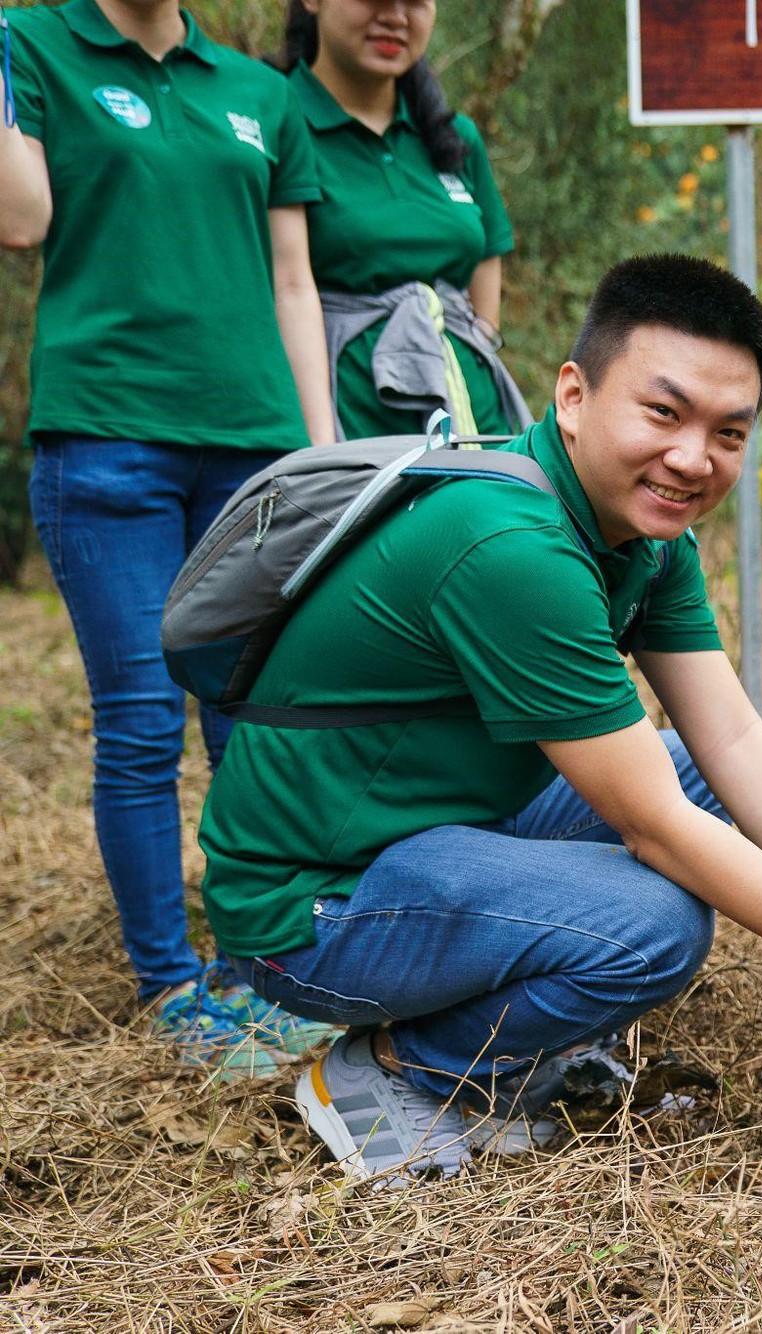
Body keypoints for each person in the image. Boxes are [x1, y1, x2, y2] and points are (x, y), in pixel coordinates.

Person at [197, 254, 762, 1188]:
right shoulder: (512, 547)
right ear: (575, 395)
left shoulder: (644, 535)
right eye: (662, 413)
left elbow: (735, 739)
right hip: (311, 906)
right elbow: (650, 828)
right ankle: (390, 1070)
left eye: (728, 432)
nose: (692, 458)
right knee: (654, 921)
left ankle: (500, 1037)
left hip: (433, 829)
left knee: (696, 771)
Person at [0, 0, 338, 1077]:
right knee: (143, 719)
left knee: (251, 716)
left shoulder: (258, 91)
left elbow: (294, 278)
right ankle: (170, 982)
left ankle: (258, 961)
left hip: (254, 455)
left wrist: (323, 452)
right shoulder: (32, 43)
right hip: (107, 444)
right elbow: (20, 218)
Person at [276, 0, 530, 439]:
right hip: (347, 422)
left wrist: (481, 336)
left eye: (415, 2)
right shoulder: (274, 121)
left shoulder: (453, 136)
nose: (396, 16)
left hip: (470, 412)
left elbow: (488, 253)